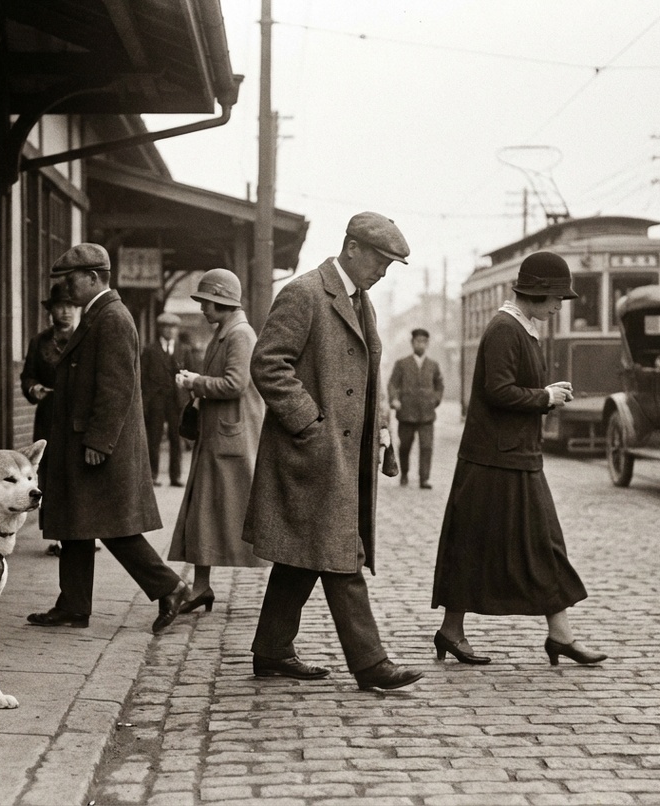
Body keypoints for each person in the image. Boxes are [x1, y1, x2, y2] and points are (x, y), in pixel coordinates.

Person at [243, 212, 423, 693]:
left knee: (303, 554)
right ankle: (371, 665)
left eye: (390, 265)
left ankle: (272, 650)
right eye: (381, 261)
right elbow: (268, 364)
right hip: (312, 453)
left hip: (344, 454)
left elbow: (367, 376)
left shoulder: (360, 301)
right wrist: (311, 423)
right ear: (352, 248)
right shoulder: (305, 293)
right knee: (343, 555)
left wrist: (381, 428)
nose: (383, 272)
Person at [431, 251, 607, 668]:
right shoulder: (504, 329)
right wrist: (544, 396)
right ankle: (454, 631)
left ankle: (558, 634)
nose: (559, 306)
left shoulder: (521, 329)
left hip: (511, 456)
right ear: (538, 293)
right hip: (495, 460)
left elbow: (510, 387)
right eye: (556, 299)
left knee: (533, 542)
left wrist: (547, 391)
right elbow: (497, 391)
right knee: (483, 544)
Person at [27, 243, 190, 634]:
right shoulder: (99, 315)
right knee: (75, 525)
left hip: (97, 445)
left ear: (94, 277)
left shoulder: (112, 318)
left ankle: (171, 587)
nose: (66, 289)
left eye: (71, 280)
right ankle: (73, 604)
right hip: (82, 440)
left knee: (111, 528)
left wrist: (99, 442)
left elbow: (115, 388)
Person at [168, 269, 269, 612]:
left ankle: (283, 586)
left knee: (242, 517)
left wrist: (196, 382)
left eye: (206, 302)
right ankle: (201, 586)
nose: (202, 309)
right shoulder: (227, 331)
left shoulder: (239, 334)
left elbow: (235, 384)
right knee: (203, 512)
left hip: (231, 441)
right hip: (220, 437)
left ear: (223, 301)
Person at [20, 282, 77, 554]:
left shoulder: (84, 337)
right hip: (48, 415)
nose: (65, 312)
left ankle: (81, 534)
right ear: (50, 311)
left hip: (77, 414)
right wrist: (34, 388)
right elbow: (27, 375)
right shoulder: (39, 341)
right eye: (59, 307)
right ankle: (55, 537)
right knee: (50, 474)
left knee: (76, 473)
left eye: (69, 306)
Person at [141, 312, 196, 487]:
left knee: (176, 437)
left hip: (176, 400)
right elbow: (143, 376)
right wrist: (147, 397)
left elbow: (192, 373)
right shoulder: (150, 350)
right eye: (166, 327)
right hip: (156, 400)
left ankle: (175, 476)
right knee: (154, 437)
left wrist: (188, 394)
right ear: (160, 329)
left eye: (173, 327)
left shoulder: (184, 350)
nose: (170, 331)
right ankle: (152, 475)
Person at [387, 327, 444, 489]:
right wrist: (394, 400)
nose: (421, 345)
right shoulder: (402, 364)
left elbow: (439, 385)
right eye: (417, 341)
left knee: (426, 447)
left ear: (428, 344)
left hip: (427, 414)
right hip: (406, 413)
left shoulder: (433, 365)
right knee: (405, 446)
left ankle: (424, 479)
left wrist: (436, 400)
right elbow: (392, 384)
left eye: (424, 342)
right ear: (412, 343)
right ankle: (404, 473)